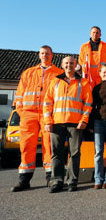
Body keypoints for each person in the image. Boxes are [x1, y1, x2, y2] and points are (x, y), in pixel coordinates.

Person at [11, 45, 63, 192]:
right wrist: (22, 112)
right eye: (42, 53)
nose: (44, 55)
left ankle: (50, 178)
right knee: (27, 145)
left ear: (52, 55)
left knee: (49, 145)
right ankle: (24, 180)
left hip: (48, 115)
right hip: (28, 114)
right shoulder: (28, 73)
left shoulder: (58, 73)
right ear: (39, 55)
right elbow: (19, 94)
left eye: (47, 53)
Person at [43, 56, 93, 193]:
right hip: (57, 122)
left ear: (76, 65)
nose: (69, 65)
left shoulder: (83, 82)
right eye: (66, 63)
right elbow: (47, 103)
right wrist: (48, 121)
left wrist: (84, 120)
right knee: (56, 153)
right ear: (62, 65)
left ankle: (72, 181)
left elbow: (87, 104)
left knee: (75, 153)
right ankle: (57, 181)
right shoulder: (55, 81)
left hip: (75, 123)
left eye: (71, 63)